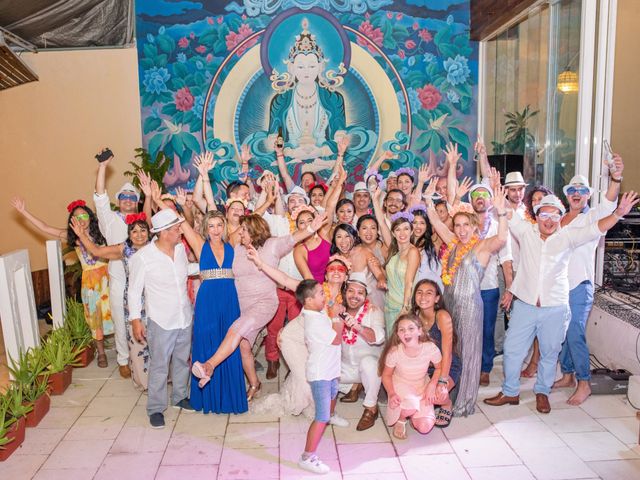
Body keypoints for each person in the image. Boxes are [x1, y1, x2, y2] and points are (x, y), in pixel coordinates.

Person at [484, 191, 638, 414]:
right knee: (511, 349)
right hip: (525, 305)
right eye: (545, 215)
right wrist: (499, 202)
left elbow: (595, 229)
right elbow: (508, 213)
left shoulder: (567, 237)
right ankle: (510, 392)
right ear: (536, 216)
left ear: (560, 219)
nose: (549, 220)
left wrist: (617, 214)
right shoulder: (526, 232)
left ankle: (542, 392)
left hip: (555, 308)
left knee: (549, 353)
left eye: (555, 216)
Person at [191, 212, 327, 398]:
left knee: (238, 328)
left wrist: (312, 227)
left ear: (255, 230)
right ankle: (255, 384)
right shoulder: (237, 248)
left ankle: (209, 366)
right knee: (244, 346)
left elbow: (292, 238)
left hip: (264, 303)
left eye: (244, 230)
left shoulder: (272, 245)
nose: (241, 233)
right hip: (240, 304)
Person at [424, 178, 508, 416]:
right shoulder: (451, 243)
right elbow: (435, 221)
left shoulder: (480, 247)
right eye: (457, 225)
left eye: (465, 226)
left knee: (470, 354)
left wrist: (502, 214)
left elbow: (501, 239)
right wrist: (429, 197)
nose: (460, 230)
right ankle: (448, 395)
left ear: (474, 228)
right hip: (450, 306)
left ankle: (463, 403)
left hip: (470, 307)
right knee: (452, 352)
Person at [552, 155, 624, 405]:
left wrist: (615, 177)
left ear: (587, 196)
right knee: (563, 333)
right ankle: (568, 374)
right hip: (559, 287)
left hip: (580, 286)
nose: (577, 193)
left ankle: (584, 382)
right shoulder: (560, 220)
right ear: (567, 194)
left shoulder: (593, 215)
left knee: (575, 332)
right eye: (573, 190)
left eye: (582, 191)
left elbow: (610, 199)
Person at [11, 197, 112, 367]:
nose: (81, 220)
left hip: (108, 279)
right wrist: (23, 212)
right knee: (95, 319)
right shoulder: (72, 236)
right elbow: (44, 227)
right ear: (72, 221)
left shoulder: (102, 231)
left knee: (115, 313)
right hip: (90, 284)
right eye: (77, 217)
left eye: (84, 216)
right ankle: (101, 353)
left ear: (90, 217)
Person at [246, 252, 349, 418]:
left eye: (341, 269)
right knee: (307, 378)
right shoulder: (313, 289)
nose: (336, 272)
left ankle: (308, 403)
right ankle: (316, 411)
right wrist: (261, 264)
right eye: (332, 269)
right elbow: (285, 280)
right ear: (326, 274)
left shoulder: (348, 297)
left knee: (312, 376)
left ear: (346, 275)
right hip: (294, 340)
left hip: (316, 344)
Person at [128, 209, 194, 429]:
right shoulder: (143, 257)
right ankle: (156, 408)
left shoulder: (181, 251)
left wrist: (210, 270)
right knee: (159, 365)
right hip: (161, 319)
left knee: (182, 360)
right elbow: (134, 291)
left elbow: (185, 273)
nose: (180, 232)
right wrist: (136, 320)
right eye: (177, 229)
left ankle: (180, 396)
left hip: (184, 316)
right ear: (164, 232)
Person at [177, 209, 248, 414]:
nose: (216, 230)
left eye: (219, 225)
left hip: (229, 299)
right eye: (211, 226)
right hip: (208, 300)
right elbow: (182, 223)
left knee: (229, 342)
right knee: (206, 341)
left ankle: (230, 399)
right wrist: (155, 199)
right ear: (206, 228)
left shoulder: (232, 242)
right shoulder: (200, 244)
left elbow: (249, 222)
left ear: (224, 226)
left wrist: (269, 199)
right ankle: (206, 398)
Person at [70, 212, 151, 389]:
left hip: (154, 297)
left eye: (143, 230)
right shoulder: (124, 248)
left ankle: (160, 376)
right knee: (137, 339)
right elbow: (97, 251)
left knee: (156, 338)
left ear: (149, 232)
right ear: (129, 234)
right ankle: (143, 380)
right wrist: (82, 235)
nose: (139, 235)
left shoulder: (156, 246)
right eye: (134, 231)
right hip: (135, 299)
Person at [93, 150, 144, 378]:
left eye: (132, 198)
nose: (127, 201)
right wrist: (103, 167)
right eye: (123, 198)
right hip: (117, 274)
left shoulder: (142, 222)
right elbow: (100, 197)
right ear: (118, 201)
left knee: (141, 316)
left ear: (136, 202)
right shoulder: (109, 220)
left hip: (141, 275)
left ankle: (142, 356)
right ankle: (123, 359)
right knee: (119, 317)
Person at [268, 19, 346, 161]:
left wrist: (321, 151)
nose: (306, 71)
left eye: (311, 66)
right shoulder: (280, 100)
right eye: (300, 66)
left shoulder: (333, 98)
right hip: (290, 159)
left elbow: (341, 138)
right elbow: (271, 141)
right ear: (291, 68)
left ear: (320, 67)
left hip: (324, 158)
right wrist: (290, 152)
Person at [297, 279, 348, 475]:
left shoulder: (317, 313)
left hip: (330, 369)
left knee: (334, 393)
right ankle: (307, 457)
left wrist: (334, 315)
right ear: (309, 301)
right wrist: (336, 318)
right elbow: (336, 339)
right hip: (321, 374)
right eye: (320, 293)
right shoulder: (313, 321)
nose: (325, 295)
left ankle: (332, 415)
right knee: (321, 416)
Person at [467, 182, 514, 386]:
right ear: (470, 201)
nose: (480, 197)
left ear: (490, 200)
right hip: (465, 287)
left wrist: (510, 289)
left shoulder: (498, 226)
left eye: (484, 194)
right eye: (475, 194)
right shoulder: (463, 224)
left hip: (489, 287)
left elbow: (506, 259)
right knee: (466, 329)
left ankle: (485, 367)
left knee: (486, 330)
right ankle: (468, 365)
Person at [379, 314, 447, 439]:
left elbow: (439, 367)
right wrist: (392, 393)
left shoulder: (430, 348)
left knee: (425, 427)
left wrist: (432, 385)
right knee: (411, 404)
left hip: (421, 384)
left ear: (420, 331)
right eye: (402, 330)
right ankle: (402, 418)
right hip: (401, 383)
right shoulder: (395, 352)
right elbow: (386, 375)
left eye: (411, 328)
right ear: (398, 334)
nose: (406, 333)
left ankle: (414, 414)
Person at [337, 272, 386, 431]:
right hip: (345, 367)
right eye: (351, 291)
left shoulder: (374, 311)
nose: (354, 296)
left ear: (366, 296)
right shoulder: (338, 310)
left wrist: (357, 326)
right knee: (318, 373)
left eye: (360, 293)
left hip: (367, 369)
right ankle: (353, 387)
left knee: (369, 363)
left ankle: (371, 407)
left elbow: (377, 337)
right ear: (345, 292)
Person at [412, 279, 461, 428]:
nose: (423, 297)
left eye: (429, 293)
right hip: (424, 367)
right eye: (419, 293)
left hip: (446, 365)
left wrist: (441, 382)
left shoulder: (442, 316)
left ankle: (446, 404)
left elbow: (447, 353)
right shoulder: (413, 316)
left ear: (437, 298)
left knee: (437, 397)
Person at [356, 214, 388, 309]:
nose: (369, 232)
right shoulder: (355, 250)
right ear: (358, 232)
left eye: (373, 228)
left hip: (382, 296)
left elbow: (394, 277)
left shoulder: (384, 249)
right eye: (364, 228)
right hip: (359, 298)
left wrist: (380, 267)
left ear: (377, 231)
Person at [410, 205, 442, 291]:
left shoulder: (434, 241)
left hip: (433, 292)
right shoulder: (404, 244)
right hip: (412, 291)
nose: (418, 226)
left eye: (422, 223)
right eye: (414, 222)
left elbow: (445, 224)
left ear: (427, 225)